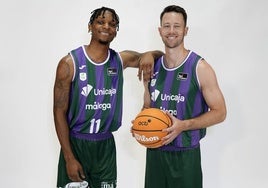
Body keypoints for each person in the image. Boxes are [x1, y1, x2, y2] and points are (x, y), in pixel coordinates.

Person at [53, 7, 162, 188]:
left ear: (116, 32)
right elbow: (58, 112)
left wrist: (149, 54)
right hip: (77, 144)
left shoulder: (120, 60)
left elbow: (158, 57)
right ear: (90, 26)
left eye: (112, 24)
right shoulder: (69, 63)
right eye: (100, 22)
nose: (106, 27)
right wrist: (69, 157)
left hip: (105, 146)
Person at [141, 5, 227, 188]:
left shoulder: (200, 68)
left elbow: (220, 112)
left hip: (186, 155)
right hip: (155, 154)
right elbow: (147, 107)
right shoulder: (152, 66)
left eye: (177, 26)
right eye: (166, 26)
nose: (171, 31)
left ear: (185, 30)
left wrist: (184, 125)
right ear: (160, 30)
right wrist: (141, 125)